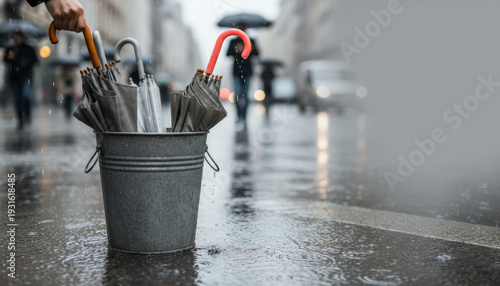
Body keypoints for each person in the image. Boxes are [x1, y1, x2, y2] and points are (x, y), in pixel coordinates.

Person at [3, 32, 38, 129]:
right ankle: (20, 120)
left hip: (26, 77)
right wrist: (9, 57)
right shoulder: (10, 49)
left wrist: (25, 62)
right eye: (14, 37)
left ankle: (27, 114)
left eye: (17, 37)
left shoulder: (29, 49)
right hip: (14, 78)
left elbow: (35, 61)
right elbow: (6, 60)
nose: (16, 39)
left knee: (25, 96)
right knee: (17, 99)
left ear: (22, 37)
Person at [226, 24, 259, 124]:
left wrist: (250, 49)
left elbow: (257, 54)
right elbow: (227, 54)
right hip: (236, 72)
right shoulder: (233, 41)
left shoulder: (251, 40)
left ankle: (244, 117)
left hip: (248, 71)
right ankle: (239, 116)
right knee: (237, 94)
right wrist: (237, 50)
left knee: (245, 95)